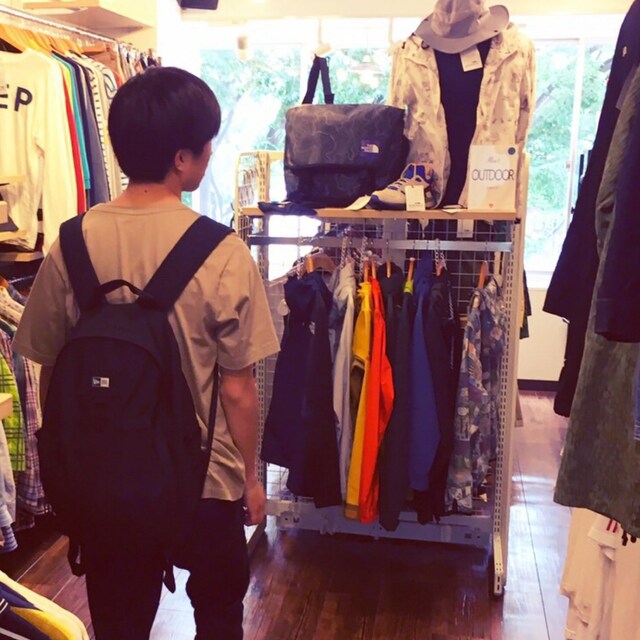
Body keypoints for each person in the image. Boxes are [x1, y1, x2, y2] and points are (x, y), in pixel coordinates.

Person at [12, 67, 280, 639]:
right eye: (206, 144)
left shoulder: (71, 241)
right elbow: (237, 389)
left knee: (119, 622)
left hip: (108, 477)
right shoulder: (223, 251)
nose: (211, 152)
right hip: (204, 480)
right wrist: (251, 479)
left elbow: (51, 367)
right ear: (182, 158)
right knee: (218, 617)